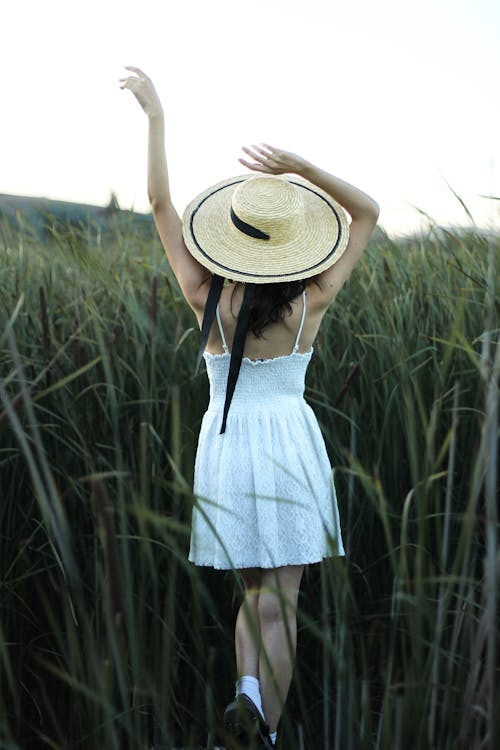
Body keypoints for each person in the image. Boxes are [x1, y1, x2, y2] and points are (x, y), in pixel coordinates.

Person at [120, 66, 379, 750]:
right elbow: (369, 213)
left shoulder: (206, 297)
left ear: (232, 234)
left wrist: (155, 116)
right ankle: (262, 732)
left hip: (228, 442)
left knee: (253, 590)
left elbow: (156, 201)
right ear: (292, 246)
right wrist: (303, 168)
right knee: (283, 601)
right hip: (290, 443)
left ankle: (245, 695)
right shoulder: (309, 301)